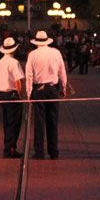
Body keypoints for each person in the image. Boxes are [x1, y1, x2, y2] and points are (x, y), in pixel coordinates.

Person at [25, 30, 68, 160]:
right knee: (53, 121)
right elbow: (62, 71)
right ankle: (53, 151)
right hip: (52, 88)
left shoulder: (32, 55)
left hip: (39, 89)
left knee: (39, 122)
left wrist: (29, 92)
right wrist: (64, 87)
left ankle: (39, 151)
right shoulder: (56, 53)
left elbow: (29, 75)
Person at [0, 37, 25, 158]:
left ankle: (7, 147)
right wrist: (20, 94)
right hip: (12, 95)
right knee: (14, 123)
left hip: (2, 94)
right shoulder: (14, 62)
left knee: (6, 122)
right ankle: (10, 148)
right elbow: (18, 81)